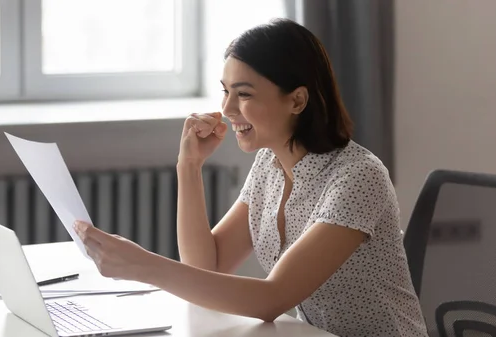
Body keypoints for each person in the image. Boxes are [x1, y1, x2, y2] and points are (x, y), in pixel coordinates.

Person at [74, 18, 429, 337]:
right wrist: (189, 167)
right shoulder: (268, 165)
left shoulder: (358, 176)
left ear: (297, 101)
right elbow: (207, 266)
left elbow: (271, 299)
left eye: (243, 94)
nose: (227, 109)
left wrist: (143, 266)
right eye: (225, 91)